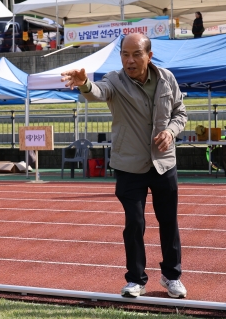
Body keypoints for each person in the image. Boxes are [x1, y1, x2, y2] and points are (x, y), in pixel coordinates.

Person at [61, 33, 188, 299]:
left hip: (164, 163)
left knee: (168, 222)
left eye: (136, 54)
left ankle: (172, 276)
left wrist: (171, 132)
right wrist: (84, 83)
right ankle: (135, 280)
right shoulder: (114, 80)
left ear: (149, 56)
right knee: (135, 223)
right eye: (125, 54)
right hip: (129, 164)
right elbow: (98, 92)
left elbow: (180, 112)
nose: (129, 60)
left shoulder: (167, 79)